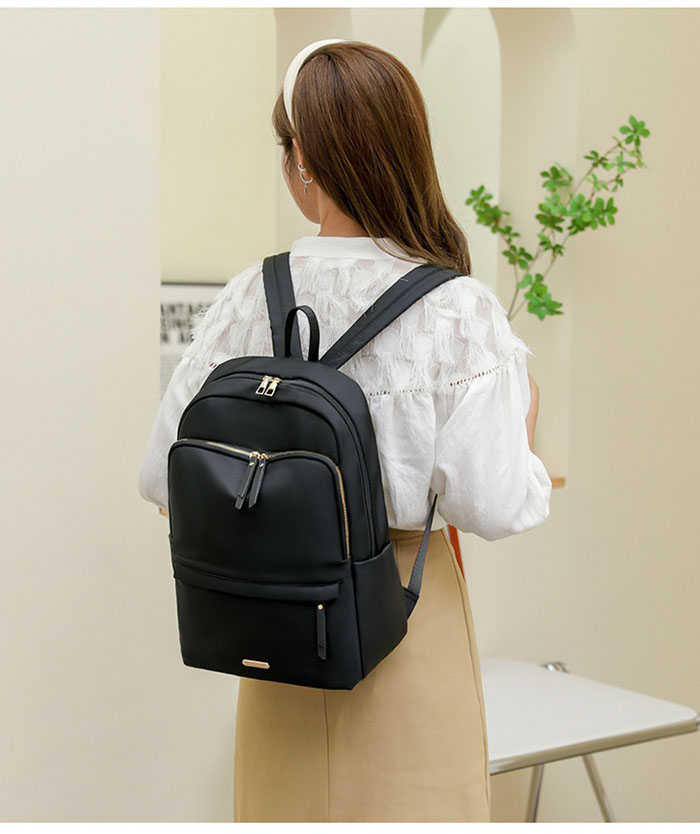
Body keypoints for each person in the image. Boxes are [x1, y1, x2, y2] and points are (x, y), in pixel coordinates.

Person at [137, 38, 552, 823]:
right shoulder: (457, 309)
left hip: (278, 636)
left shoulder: (247, 297)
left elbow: (163, 477)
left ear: (302, 160)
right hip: (405, 627)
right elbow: (496, 504)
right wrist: (525, 420)